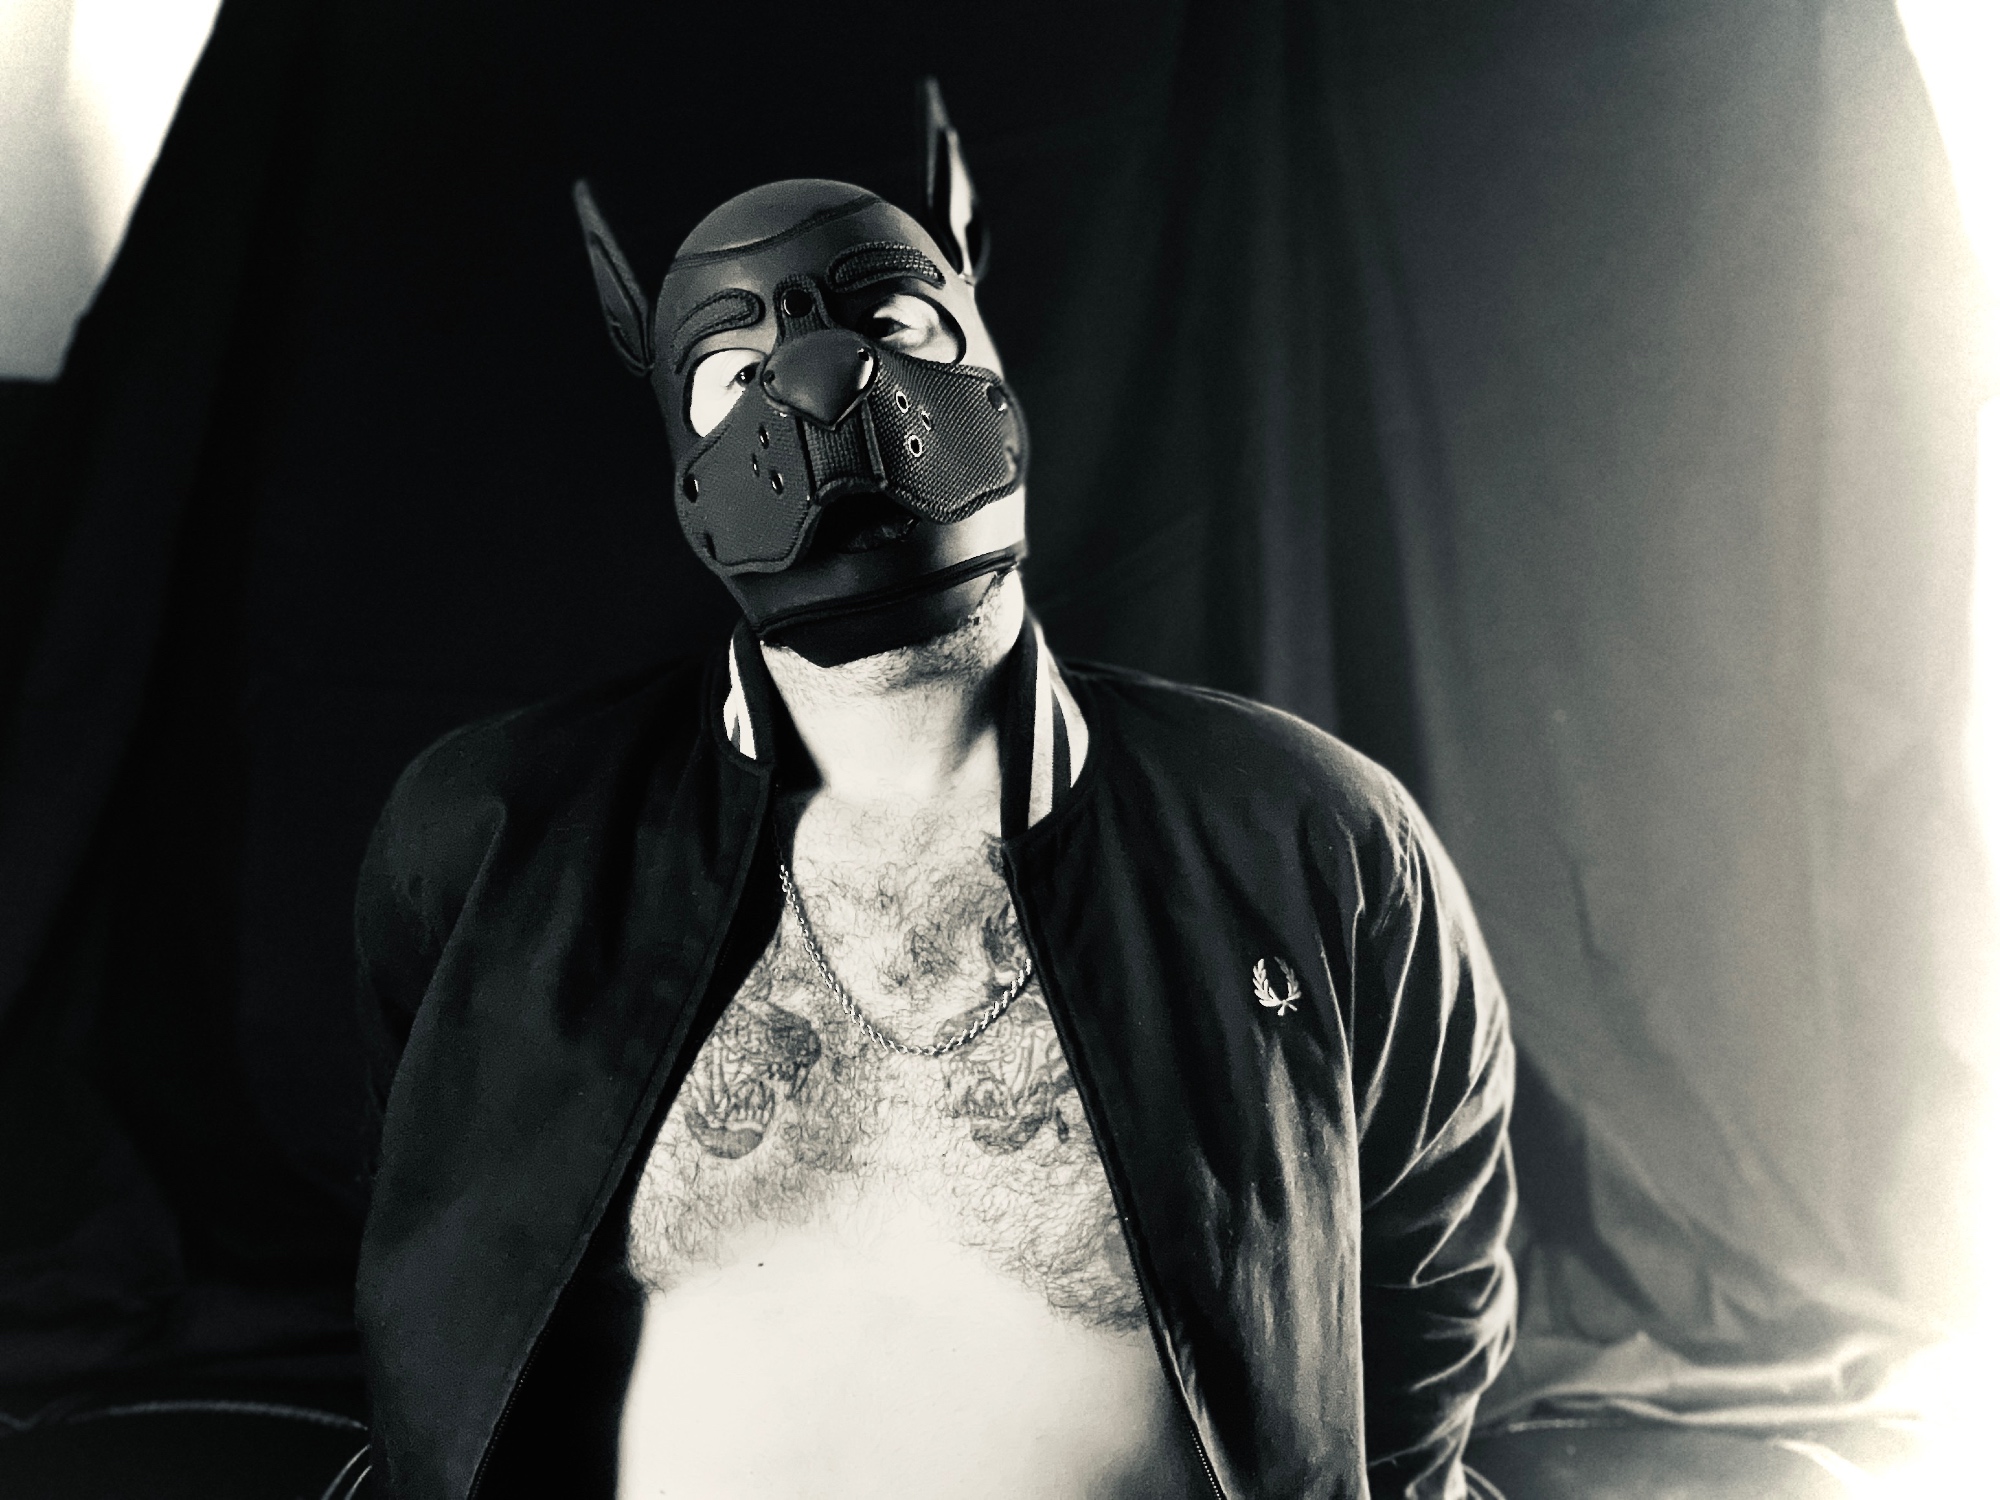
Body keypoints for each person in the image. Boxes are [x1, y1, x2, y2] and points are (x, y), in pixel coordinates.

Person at [351, 82, 1515, 1500]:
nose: (824, 390)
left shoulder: (1315, 841)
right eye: (734, 370)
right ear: (680, 455)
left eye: (892, 323)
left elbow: (1429, 1294)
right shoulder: (491, 842)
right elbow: (436, 1258)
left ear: (989, 363)